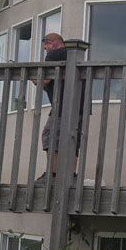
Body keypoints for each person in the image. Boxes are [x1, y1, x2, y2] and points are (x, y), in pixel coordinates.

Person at [37, 33, 86, 180]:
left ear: (54, 43)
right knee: (73, 139)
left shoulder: (54, 54)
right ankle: (71, 175)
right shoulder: (71, 55)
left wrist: (34, 79)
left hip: (63, 104)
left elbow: (44, 81)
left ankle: (53, 174)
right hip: (81, 104)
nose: (45, 48)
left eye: (46, 44)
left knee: (50, 136)